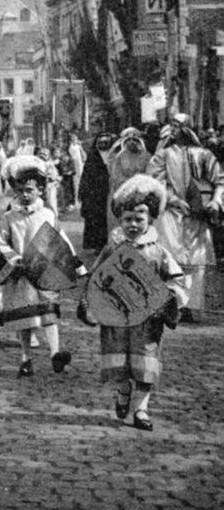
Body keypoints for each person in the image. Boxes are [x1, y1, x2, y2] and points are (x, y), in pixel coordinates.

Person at [77, 175, 188, 431]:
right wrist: (91, 301)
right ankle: (123, 390)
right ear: (120, 219)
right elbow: (97, 277)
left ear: (150, 220)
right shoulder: (113, 248)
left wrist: (168, 296)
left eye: (139, 219)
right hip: (116, 319)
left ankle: (140, 410)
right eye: (128, 219)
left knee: (146, 362)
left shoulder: (158, 251)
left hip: (147, 321)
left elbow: (176, 279)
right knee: (119, 364)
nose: (133, 225)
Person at [0, 158, 78, 377]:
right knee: (24, 317)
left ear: (40, 190)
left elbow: (60, 238)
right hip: (20, 275)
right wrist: (13, 259)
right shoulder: (9, 218)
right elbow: (0, 243)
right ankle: (25, 358)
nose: (25, 194)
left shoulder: (48, 214)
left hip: (44, 271)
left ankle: (56, 353)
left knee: (49, 312)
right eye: (20, 190)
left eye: (30, 190)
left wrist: (75, 262)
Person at [147, 113, 223, 322]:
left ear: (186, 129)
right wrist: (173, 200)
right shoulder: (162, 155)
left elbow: (219, 180)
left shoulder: (204, 155)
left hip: (197, 216)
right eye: (171, 126)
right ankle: (172, 306)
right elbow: (155, 182)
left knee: (195, 261)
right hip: (170, 215)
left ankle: (192, 306)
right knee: (169, 258)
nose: (173, 130)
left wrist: (215, 202)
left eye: (177, 126)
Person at [78, 131, 116, 253]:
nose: (103, 145)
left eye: (106, 142)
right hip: (94, 193)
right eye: (101, 142)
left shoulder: (115, 155)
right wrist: (83, 192)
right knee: (95, 219)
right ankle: (98, 246)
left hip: (109, 191)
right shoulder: (92, 156)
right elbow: (86, 176)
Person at [107, 128, 150, 233]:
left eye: (135, 140)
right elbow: (116, 177)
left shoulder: (147, 156)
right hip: (123, 195)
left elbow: (150, 175)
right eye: (129, 140)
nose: (132, 142)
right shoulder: (120, 157)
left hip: (141, 195)